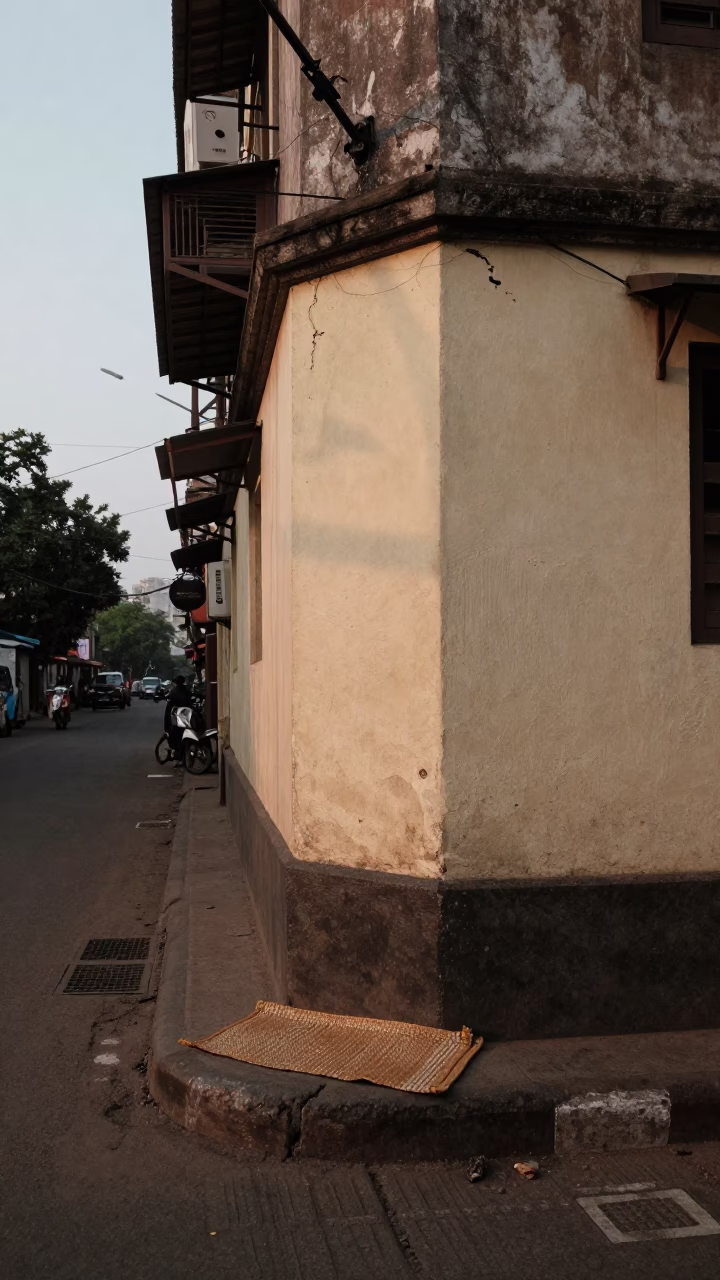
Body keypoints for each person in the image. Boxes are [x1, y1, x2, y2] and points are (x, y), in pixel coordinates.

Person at [164, 675, 192, 757]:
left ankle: (176, 749)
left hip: (178, 714)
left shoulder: (174, 691)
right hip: (186, 714)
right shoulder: (187, 690)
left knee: (173, 730)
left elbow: (169, 702)